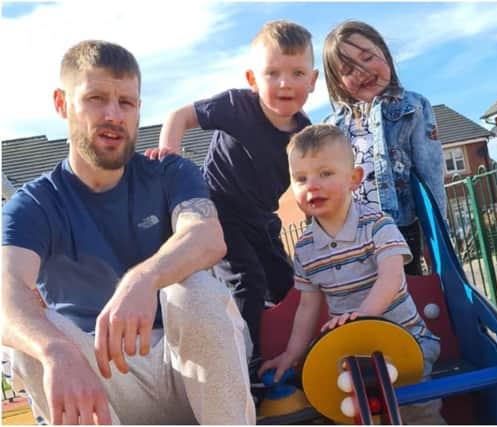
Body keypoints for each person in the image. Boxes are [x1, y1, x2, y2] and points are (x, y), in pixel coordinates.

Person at [1, 40, 254, 425]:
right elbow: (6, 292)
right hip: (99, 374)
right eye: (96, 98)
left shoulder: (169, 173)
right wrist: (56, 351)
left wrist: (144, 278)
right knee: (36, 339)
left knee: (196, 291)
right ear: (61, 103)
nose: (113, 115)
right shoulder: (34, 204)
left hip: (184, 362)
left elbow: (206, 236)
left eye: (127, 103)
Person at [146, 21, 318, 367]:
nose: (285, 83)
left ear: (312, 81)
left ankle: (288, 355)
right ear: (253, 80)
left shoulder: (306, 134)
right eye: (272, 73)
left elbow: (309, 181)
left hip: (262, 216)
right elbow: (179, 115)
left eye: (297, 72)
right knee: (248, 281)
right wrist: (169, 155)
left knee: (288, 285)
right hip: (220, 209)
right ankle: (245, 362)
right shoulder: (238, 106)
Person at [259, 124, 444, 424]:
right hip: (351, 353)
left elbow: (392, 277)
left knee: (415, 410)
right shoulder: (306, 249)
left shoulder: (377, 225)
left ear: (354, 179)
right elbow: (307, 308)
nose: (312, 185)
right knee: (348, 409)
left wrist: (363, 316)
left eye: (325, 174)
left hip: (405, 342)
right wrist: (291, 355)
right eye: (301, 178)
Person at [322, 21, 447, 276]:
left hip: (400, 228)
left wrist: (436, 238)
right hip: (354, 238)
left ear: (384, 52)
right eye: (348, 69)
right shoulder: (333, 128)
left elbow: (431, 174)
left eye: (367, 58)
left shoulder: (413, 106)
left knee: (407, 297)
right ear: (337, 81)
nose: (361, 71)